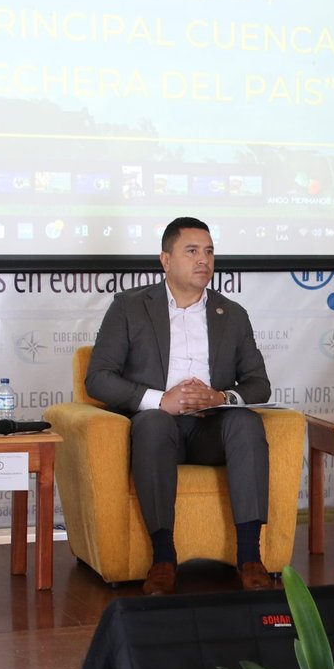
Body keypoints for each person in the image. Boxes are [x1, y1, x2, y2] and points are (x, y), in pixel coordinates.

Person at [85, 216, 272, 595]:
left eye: (209, 252)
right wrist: (160, 400)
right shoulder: (130, 307)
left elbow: (259, 384)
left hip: (210, 429)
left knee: (246, 422)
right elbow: (99, 378)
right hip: (159, 429)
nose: (203, 260)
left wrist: (221, 397)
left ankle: (250, 557)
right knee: (153, 423)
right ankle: (163, 558)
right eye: (192, 251)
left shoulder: (232, 314)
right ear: (166, 260)